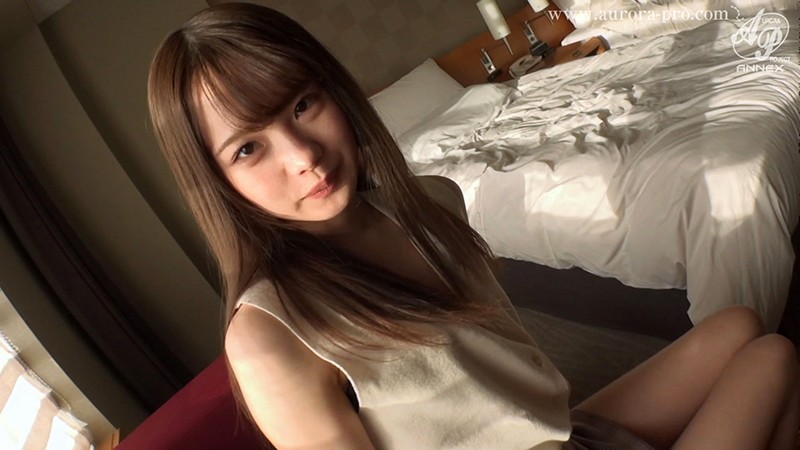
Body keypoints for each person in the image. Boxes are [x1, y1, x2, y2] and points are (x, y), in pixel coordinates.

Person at [147, 3, 800, 449]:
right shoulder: (269, 334)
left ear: (335, 91)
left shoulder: (430, 204)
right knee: (774, 362)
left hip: (560, 432)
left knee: (743, 326)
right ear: (216, 180)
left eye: (302, 104)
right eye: (248, 148)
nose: (303, 157)